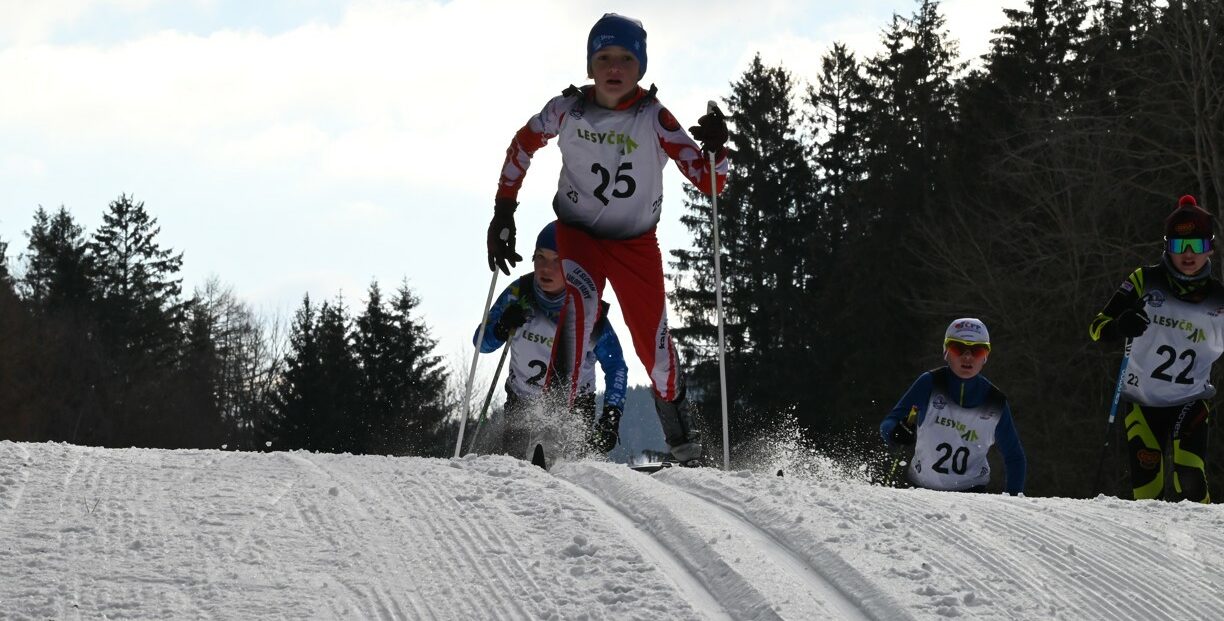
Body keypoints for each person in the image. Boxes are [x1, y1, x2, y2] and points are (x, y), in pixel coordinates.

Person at [484, 13, 728, 466]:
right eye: (604, 58)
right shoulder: (567, 109)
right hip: (579, 237)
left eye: (626, 59)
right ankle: (555, 432)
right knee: (577, 308)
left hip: (635, 243)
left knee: (654, 351)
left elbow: (710, 182)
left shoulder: (654, 116)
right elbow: (522, 143)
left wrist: (717, 148)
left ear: (641, 67)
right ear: (590, 65)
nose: (614, 68)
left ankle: (684, 443)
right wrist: (504, 210)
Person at [1089, 195, 1220, 503]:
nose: (1188, 254)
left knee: (1190, 480)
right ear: (1167, 247)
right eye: (1179, 246)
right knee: (1147, 494)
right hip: (1143, 403)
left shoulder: (1218, 298)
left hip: (1191, 400)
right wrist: (1121, 325)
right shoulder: (1144, 280)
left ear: (1210, 249)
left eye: (1197, 245)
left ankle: (1205, 536)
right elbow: (1097, 327)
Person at [474, 222, 629, 460]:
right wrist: (501, 327)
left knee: (565, 472)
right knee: (515, 471)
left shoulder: (587, 308)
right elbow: (481, 344)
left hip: (574, 407)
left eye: (557, 260)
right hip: (522, 400)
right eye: (540, 257)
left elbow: (615, 365)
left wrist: (611, 416)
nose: (546, 268)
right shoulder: (519, 293)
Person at [880, 318, 1027, 495]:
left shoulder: (995, 401)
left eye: (977, 351)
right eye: (958, 348)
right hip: (921, 489)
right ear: (946, 351)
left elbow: (1014, 456)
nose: (967, 357)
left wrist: (1013, 499)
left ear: (986, 356)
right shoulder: (930, 383)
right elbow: (888, 423)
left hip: (972, 493)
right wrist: (895, 432)